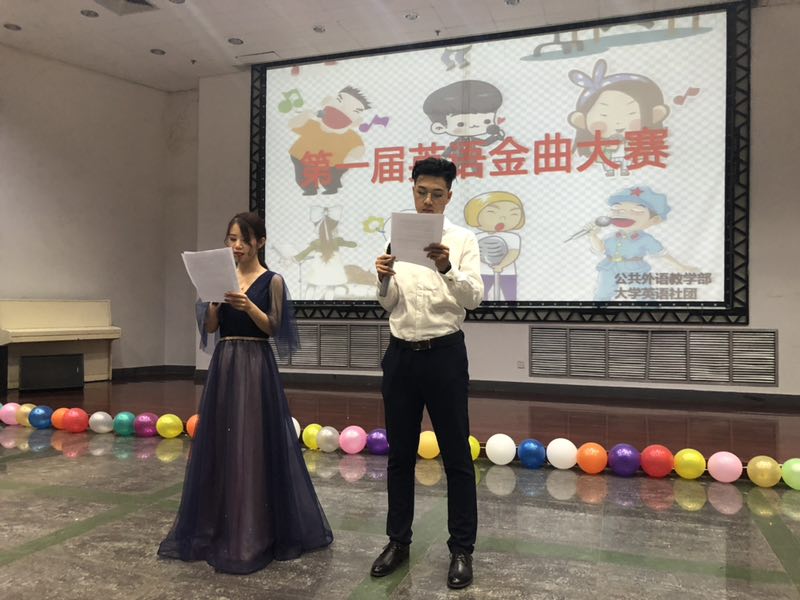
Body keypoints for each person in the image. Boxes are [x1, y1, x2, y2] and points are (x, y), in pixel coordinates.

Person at [158, 212, 332, 574]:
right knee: (222, 441)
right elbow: (210, 327)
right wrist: (214, 304)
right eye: (231, 239)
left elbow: (274, 328)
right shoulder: (221, 279)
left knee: (252, 440)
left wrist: (248, 305)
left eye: (243, 239)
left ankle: (258, 528)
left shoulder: (273, 280)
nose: (236, 246)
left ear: (260, 242)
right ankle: (217, 523)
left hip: (255, 363)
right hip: (225, 362)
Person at [371, 157, 483, 589]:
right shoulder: (396, 236)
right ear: (413, 190)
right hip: (401, 354)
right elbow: (388, 302)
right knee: (400, 455)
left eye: (437, 194)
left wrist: (446, 267)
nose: (428, 201)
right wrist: (382, 278)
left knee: (457, 456)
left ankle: (462, 550)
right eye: (422, 192)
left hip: (444, 355)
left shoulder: (463, 239)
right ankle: (398, 541)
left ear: (449, 196)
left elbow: (473, 298)